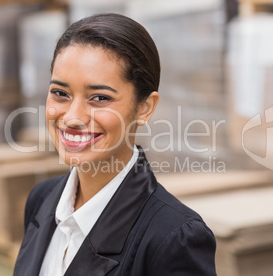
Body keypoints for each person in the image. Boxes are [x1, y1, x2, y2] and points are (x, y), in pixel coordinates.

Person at [13, 13, 216, 276]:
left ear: (144, 108)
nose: (73, 118)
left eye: (99, 97)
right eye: (60, 93)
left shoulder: (173, 238)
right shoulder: (42, 200)